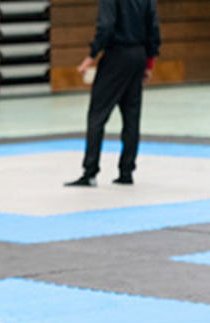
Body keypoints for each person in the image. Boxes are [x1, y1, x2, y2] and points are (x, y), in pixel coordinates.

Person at [65, 0, 160, 187]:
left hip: (117, 55)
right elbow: (153, 27)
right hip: (138, 55)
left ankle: (90, 171)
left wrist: (91, 57)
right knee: (131, 116)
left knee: (97, 115)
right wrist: (149, 62)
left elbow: (106, 26)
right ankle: (127, 171)